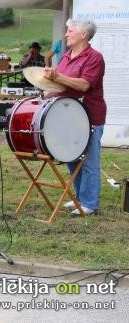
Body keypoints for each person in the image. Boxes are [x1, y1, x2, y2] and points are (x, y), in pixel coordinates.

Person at [43, 19, 106, 216]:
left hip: (89, 115)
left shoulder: (94, 57)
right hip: (68, 114)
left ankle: (90, 203)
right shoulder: (66, 56)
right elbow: (63, 86)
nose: (66, 34)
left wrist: (57, 78)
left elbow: (84, 85)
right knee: (72, 157)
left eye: (70, 31)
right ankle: (79, 197)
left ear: (83, 35)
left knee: (88, 160)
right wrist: (50, 90)